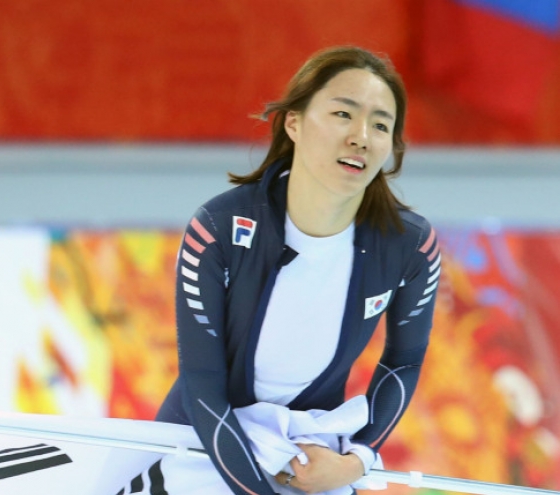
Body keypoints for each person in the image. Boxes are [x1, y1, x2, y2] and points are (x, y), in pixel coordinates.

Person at [155, 45, 441, 494]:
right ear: (294, 123)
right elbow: (202, 381)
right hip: (201, 447)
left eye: (380, 124)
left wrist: (357, 460)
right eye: (344, 114)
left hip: (314, 459)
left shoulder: (411, 246)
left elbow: (403, 361)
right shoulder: (218, 228)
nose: (361, 136)